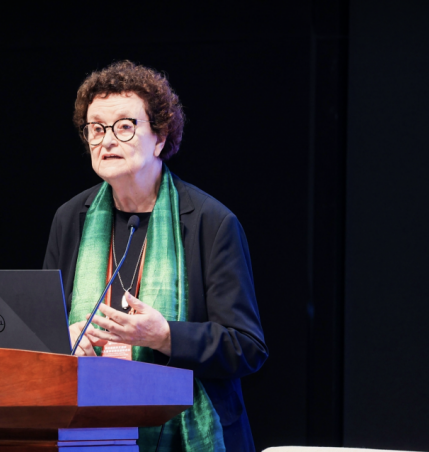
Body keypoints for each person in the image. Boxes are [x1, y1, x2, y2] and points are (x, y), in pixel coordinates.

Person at [43, 61, 268, 452]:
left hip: (182, 435)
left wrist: (164, 336)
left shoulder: (211, 222)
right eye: (96, 128)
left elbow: (246, 346)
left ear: (160, 138)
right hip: (85, 427)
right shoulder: (70, 218)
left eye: (124, 126)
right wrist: (62, 338)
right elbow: (41, 330)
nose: (106, 141)